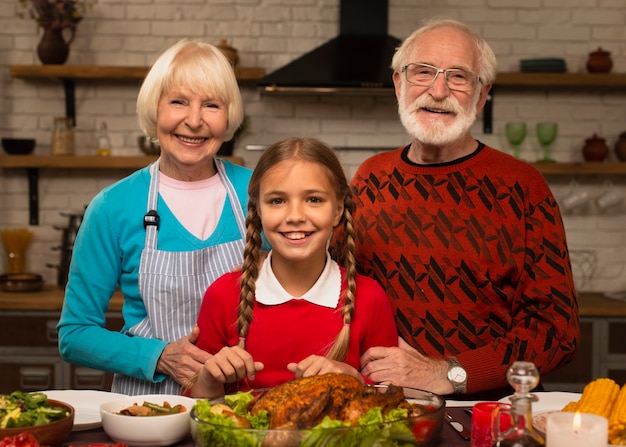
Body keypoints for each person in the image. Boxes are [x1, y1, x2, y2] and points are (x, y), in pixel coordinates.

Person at [349, 18, 580, 397]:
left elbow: (557, 330)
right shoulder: (370, 177)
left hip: (489, 410)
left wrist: (451, 373)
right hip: (384, 404)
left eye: (458, 77)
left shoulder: (522, 186)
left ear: (482, 94)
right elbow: (341, 292)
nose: (438, 91)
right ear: (398, 83)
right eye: (423, 72)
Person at [57, 39, 251, 395]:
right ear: (155, 109)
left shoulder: (258, 193)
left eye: (211, 105)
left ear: (228, 117)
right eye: (178, 101)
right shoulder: (112, 207)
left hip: (242, 402)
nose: (194, 121)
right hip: (149, 406)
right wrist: (158, 356)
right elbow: (75, 334)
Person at [188, 137, 398, 399]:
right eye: (277, 201)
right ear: (258, 211)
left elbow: (391, 399)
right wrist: (209, 378)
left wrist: (354, 380)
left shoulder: (370, 298)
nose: (295, 215)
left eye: (313, 199)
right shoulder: (223, 294)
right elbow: (197, 404)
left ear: (337, 211)